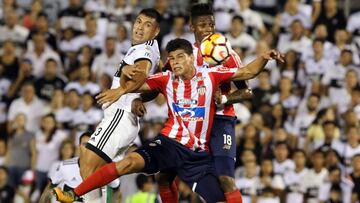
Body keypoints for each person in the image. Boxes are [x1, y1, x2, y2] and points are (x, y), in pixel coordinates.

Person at [53, 38, 283, 203]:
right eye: (171, 58)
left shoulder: (210, 75)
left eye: (180, 57)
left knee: (218, 197)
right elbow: (140, 84)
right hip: (169, 144)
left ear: (192, 58)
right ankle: (74, 193)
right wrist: (121, 88)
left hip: (196, 155)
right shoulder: (166, 78)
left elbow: (247, 73)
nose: (174, 62)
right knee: (128, 164)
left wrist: (264, 58)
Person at [130, 4, 253, 202]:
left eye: (211, 25)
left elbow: (247, 91)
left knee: (225, 179)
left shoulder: (225, 52)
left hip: (221, 121)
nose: (208, 29)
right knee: (164, 177)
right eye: (202, 25)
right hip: (188, 124)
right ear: (192, 27)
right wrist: (138, 98)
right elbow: (159, 84)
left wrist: (225, 99)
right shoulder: (184, 54)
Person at [78, 8, 161, 188]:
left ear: (156, 31)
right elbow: (155, 87)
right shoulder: (149, 49)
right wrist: (137, 98)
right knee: (100, 176)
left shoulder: (145, 50)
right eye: (138, 21)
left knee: (87, 168)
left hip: (120, 116)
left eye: (147, 25)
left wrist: (121, 90)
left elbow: (141, 73)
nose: (140, 28)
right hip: (122, 117)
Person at [39, 132, 120, 203]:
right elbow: (49, 189)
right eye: (85, 144)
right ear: (79, 146)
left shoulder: (105, 168)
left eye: (91, 145)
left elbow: (116, 190)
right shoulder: (65, 166)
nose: (88, 148)